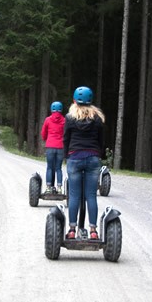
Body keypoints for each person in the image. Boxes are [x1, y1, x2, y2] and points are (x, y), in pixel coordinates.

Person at [62, 86, 105, 241]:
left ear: (74, 100)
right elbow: (101, 140)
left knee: (74, 195)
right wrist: (99, 154)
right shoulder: (97, 118)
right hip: (93, 158)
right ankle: (93, 230)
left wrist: (67, 155)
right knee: (91, 196)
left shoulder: (70, 118)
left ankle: (72, 230)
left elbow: (66, 138)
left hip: (75, 157)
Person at [40, 101, 66, 193]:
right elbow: (66, 134)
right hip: (60, 146)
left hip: (50, 146)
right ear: (61, 109)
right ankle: (59, 188)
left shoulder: (48, 120)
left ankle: (48, 187)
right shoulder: (64, 120)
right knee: (58, 168)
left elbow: (43, 133)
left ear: (51, 109)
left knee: (50, 167)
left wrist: (45, 139)